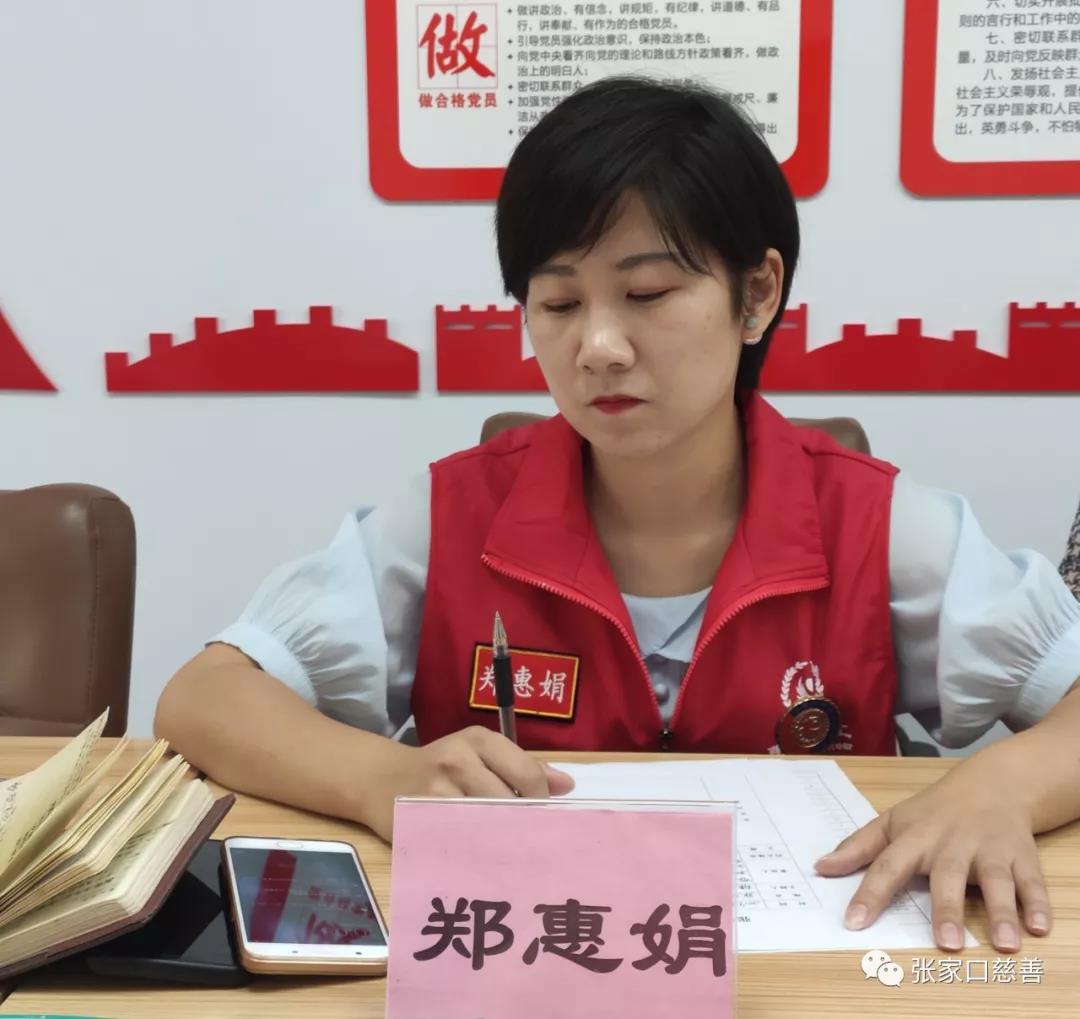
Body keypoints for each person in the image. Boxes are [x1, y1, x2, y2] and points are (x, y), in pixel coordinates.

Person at [156, 76, 1080, 955]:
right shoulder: (450, 516)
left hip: (808, 963)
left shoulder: (876, 522)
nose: (597, 346)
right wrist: (382, 776)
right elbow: (203, 697)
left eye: (646, 294)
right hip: (524, 955)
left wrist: (999, 783)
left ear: (756, 293)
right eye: (559, 302)